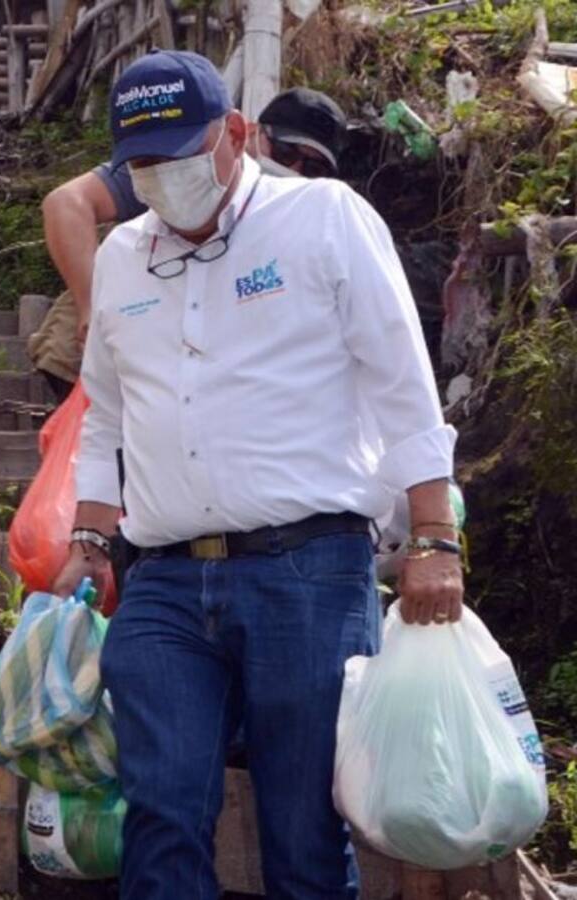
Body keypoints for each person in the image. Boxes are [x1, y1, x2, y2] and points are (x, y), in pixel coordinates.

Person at [52, 51, 463, 899]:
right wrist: (90, 540)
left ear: (237, 133)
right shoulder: (125, 255)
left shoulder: (323, 219)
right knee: (161, 817)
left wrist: (434, 537)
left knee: (304, 830)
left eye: (181, 154)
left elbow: (402, 382)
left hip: (307, 572)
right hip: (162, 580)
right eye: (145, 166)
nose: (165, 179)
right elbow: (109, 416)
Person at [28, 86, 348, 404]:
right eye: (285, 153)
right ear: (246, 133)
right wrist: (89, 306)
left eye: (313, 168)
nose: (293, 171)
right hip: (104, 348)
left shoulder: (308, 220)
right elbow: (66, 203)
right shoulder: (185, 167)